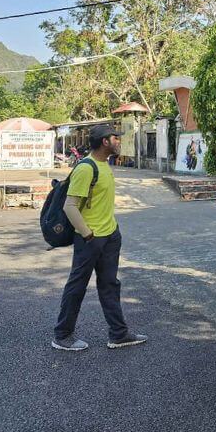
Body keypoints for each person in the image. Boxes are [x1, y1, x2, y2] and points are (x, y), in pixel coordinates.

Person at [52, 124, 147, 351]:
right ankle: (62, 335)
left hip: (110, 235)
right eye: (116, 138)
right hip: (90, 238)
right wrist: (87, 234)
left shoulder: (104, 165)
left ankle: (119, 334)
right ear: (105, 141)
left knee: (110, 285)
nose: (119, 141)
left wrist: (113, 231)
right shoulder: (86, 168)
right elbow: (70, 206)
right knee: (77, 285)